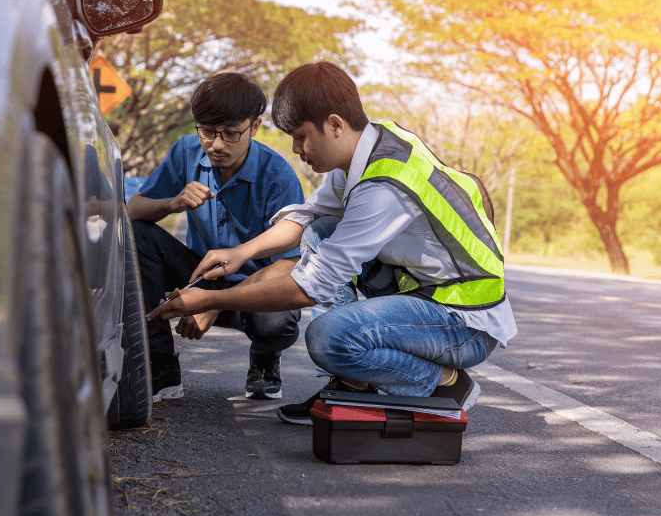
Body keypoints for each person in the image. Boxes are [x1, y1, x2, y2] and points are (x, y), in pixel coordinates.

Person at [146, 62, 517, 424]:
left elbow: (310, 288)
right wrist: (241, 253)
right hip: (426, 294)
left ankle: (445, 382)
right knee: (321, 227)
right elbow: (306, 217)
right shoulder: (371, 144)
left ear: (334, 125)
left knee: (328, 338)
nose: (296, 149)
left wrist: (210, 299)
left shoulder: (382, 187)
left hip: (464, 321)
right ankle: (350, 385)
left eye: (301, 136)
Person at [127, 72, 306, 402]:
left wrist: (213, 303)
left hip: (258, 289)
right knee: (138, 236)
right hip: (201, 275)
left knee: (275, 324)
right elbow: (132, 210)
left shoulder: (277, 175)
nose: (217, 144)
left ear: (254, 126)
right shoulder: (186, 151)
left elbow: (293, 263)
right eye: (208, 132)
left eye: (231, 133)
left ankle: (265, 360)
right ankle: (161, 367)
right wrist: (173, 202)